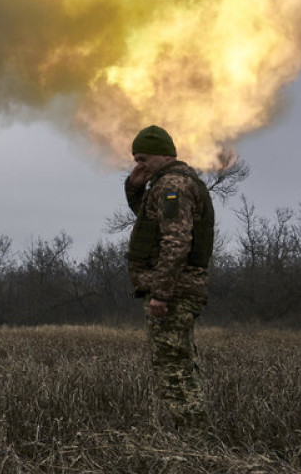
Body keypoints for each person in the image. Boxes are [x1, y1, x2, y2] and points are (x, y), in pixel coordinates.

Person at [124, 125, 215, 424]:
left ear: (165, 155)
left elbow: (175, 243)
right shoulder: (172, 183)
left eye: (143, 159)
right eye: (136, 160)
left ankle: (194, 438)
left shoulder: (172, 185)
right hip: (180, 290)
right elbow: (151, 222)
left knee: (172, 367)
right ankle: (196, 432)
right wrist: (135, 188)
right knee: (180, 363)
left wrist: (161, 293)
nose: (139, 165)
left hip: (174, 293)